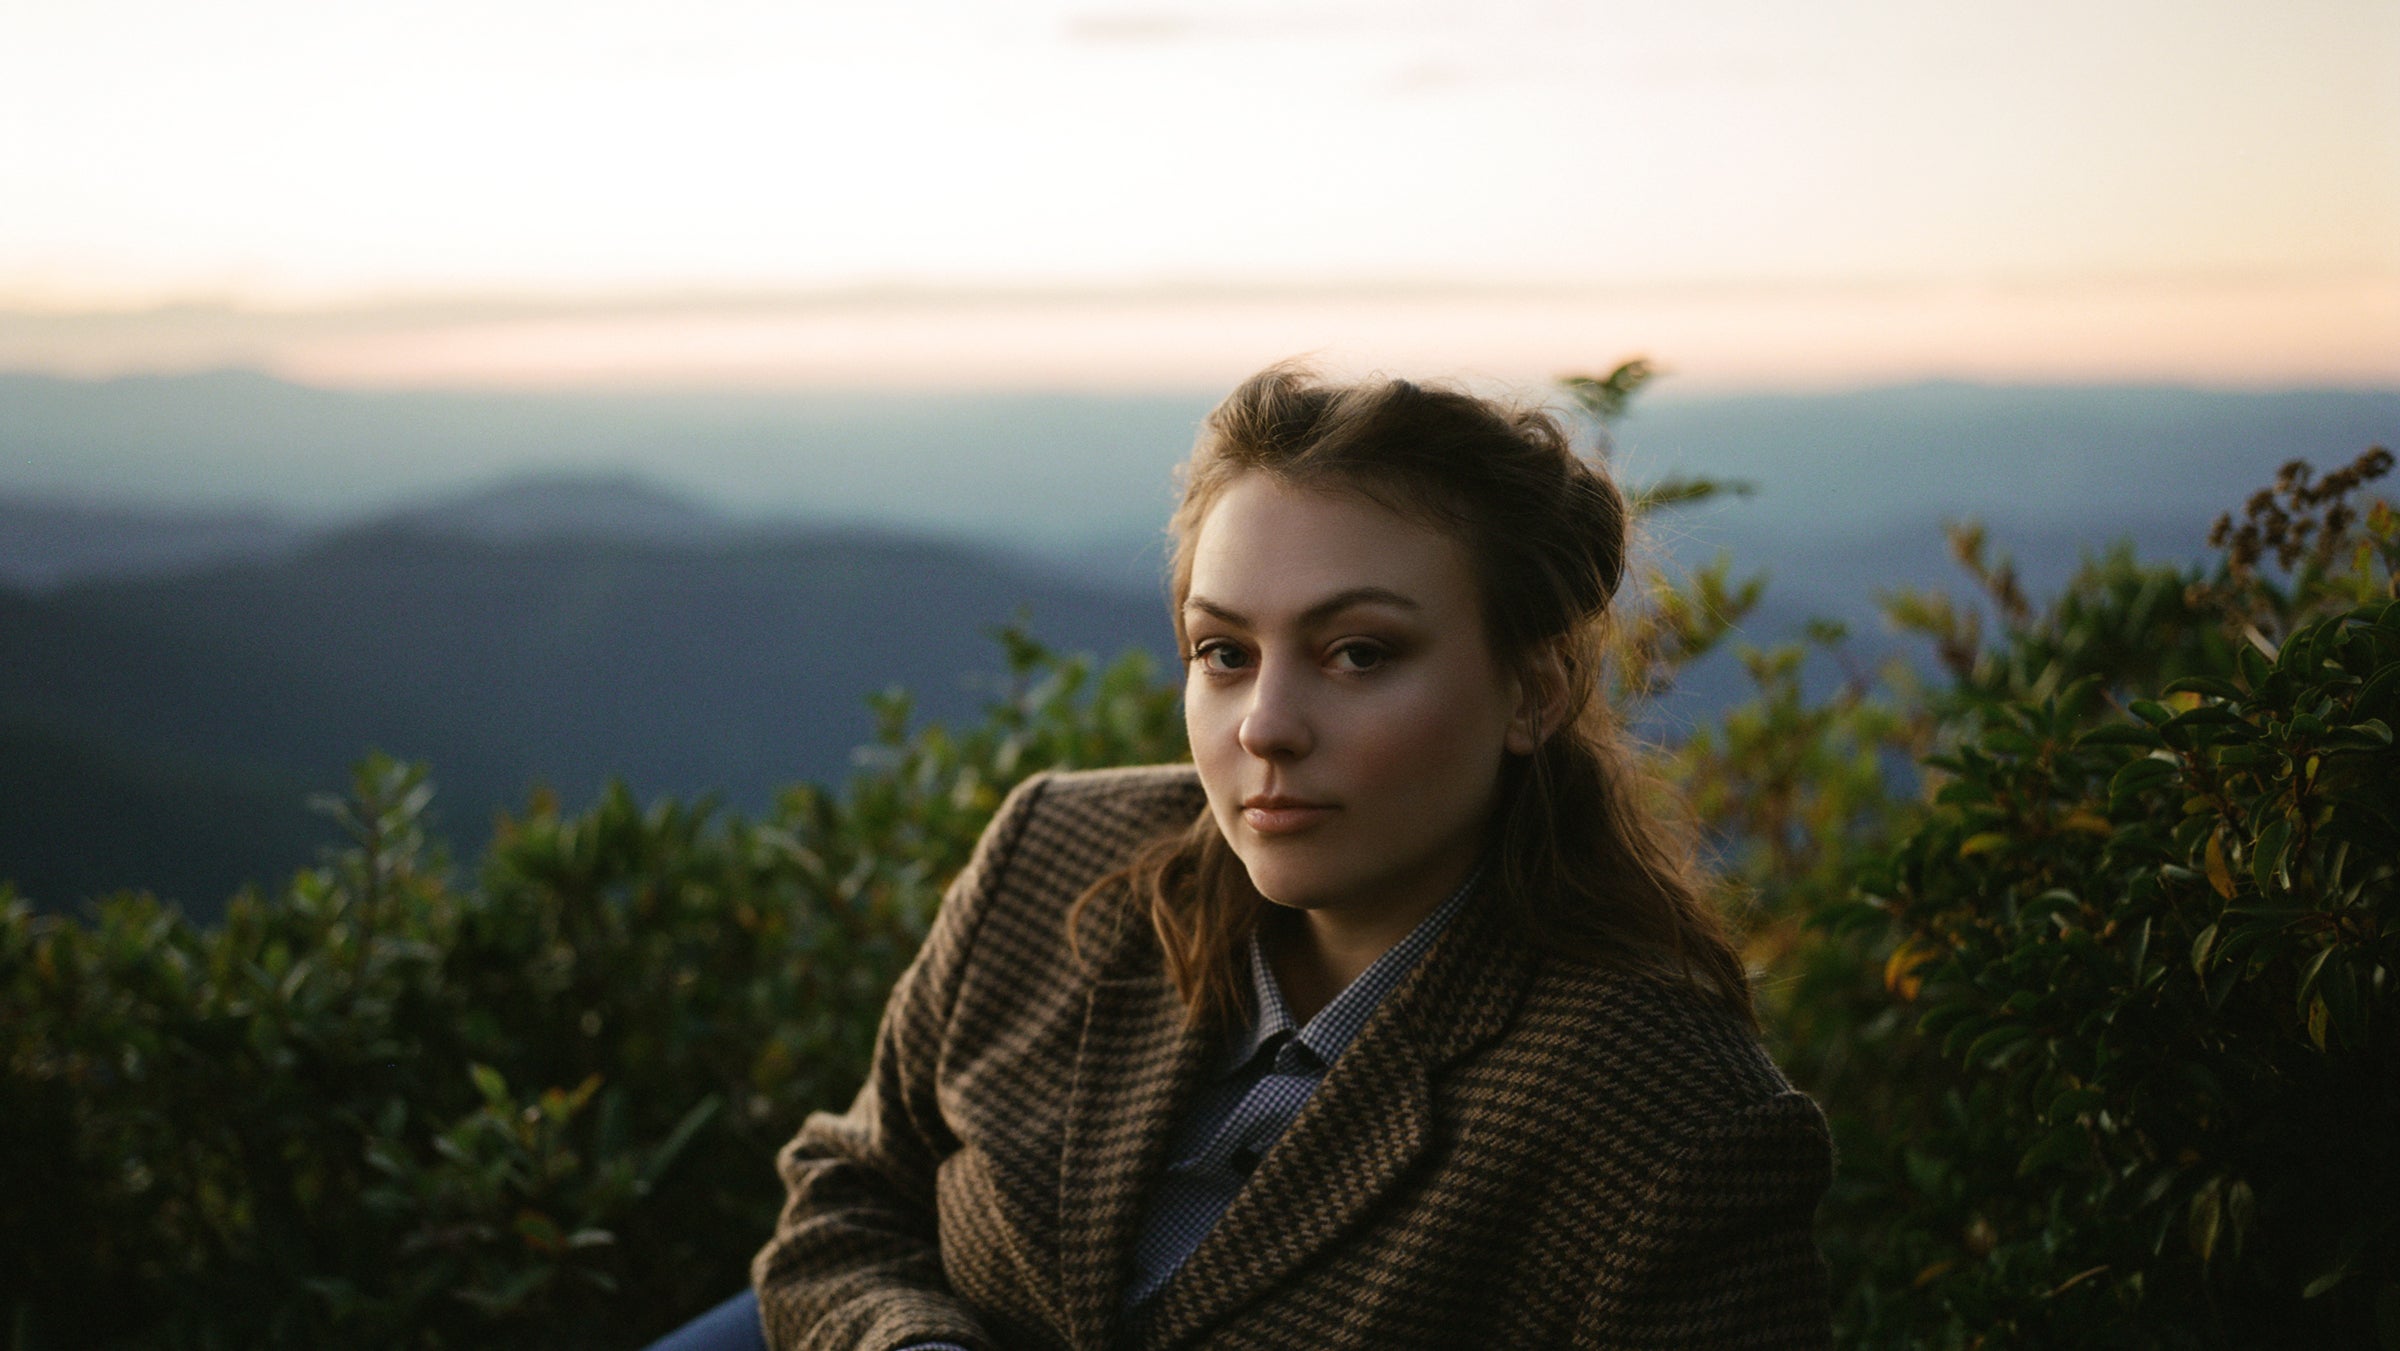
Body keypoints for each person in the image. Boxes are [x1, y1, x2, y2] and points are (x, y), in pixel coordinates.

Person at [659, 363, 1833, 1351]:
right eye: (1223, 652)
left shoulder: (1672, 1125)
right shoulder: (1054, 853)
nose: (1265, 726)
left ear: (1533, 691)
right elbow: (856, 1191)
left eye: (1359, 653)